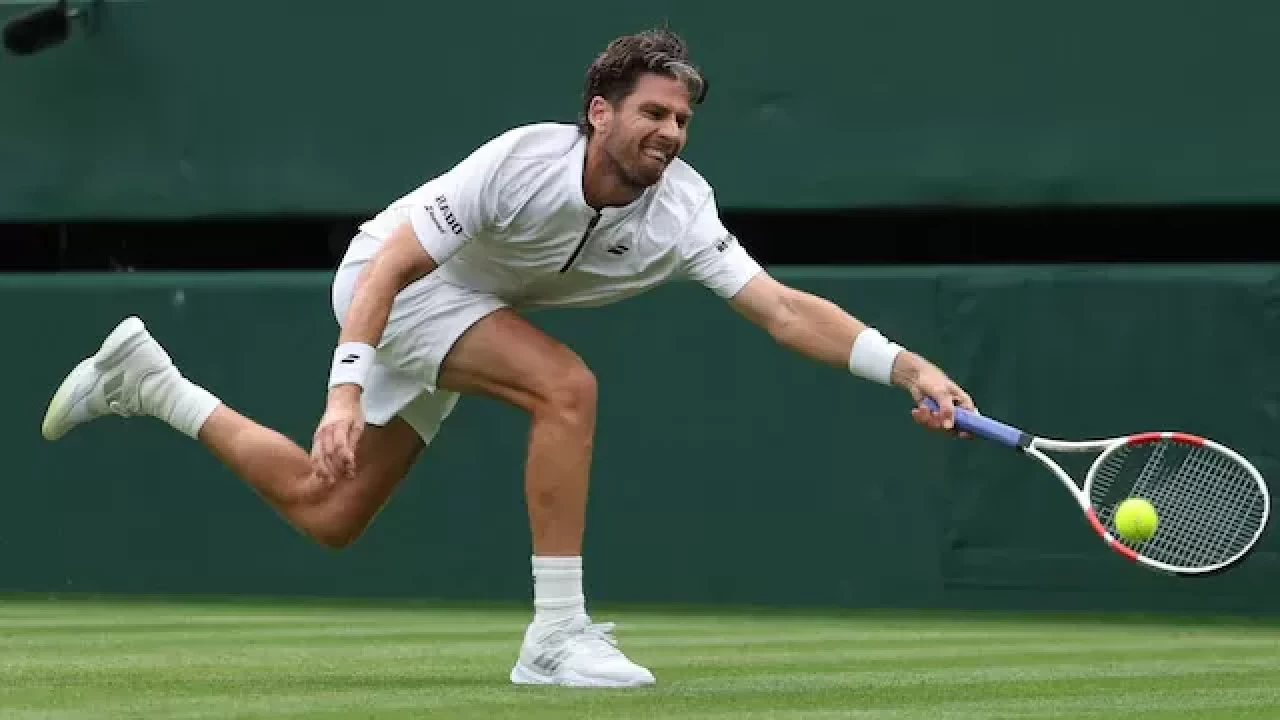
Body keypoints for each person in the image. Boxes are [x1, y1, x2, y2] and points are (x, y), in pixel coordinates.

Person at [40, 26, 976, 688]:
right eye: (652, 113)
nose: (669, 133)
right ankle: (556, 635)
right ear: (599, 112)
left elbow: (781, 310)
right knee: (566, 386)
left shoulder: (684, 211)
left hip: (470, 309)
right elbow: (392, 267)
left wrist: (906, 366)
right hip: (391, 285)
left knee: (328, 511)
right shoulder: (519, 164)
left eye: (682, 121)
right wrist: (344, 391)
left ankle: (152, 384)